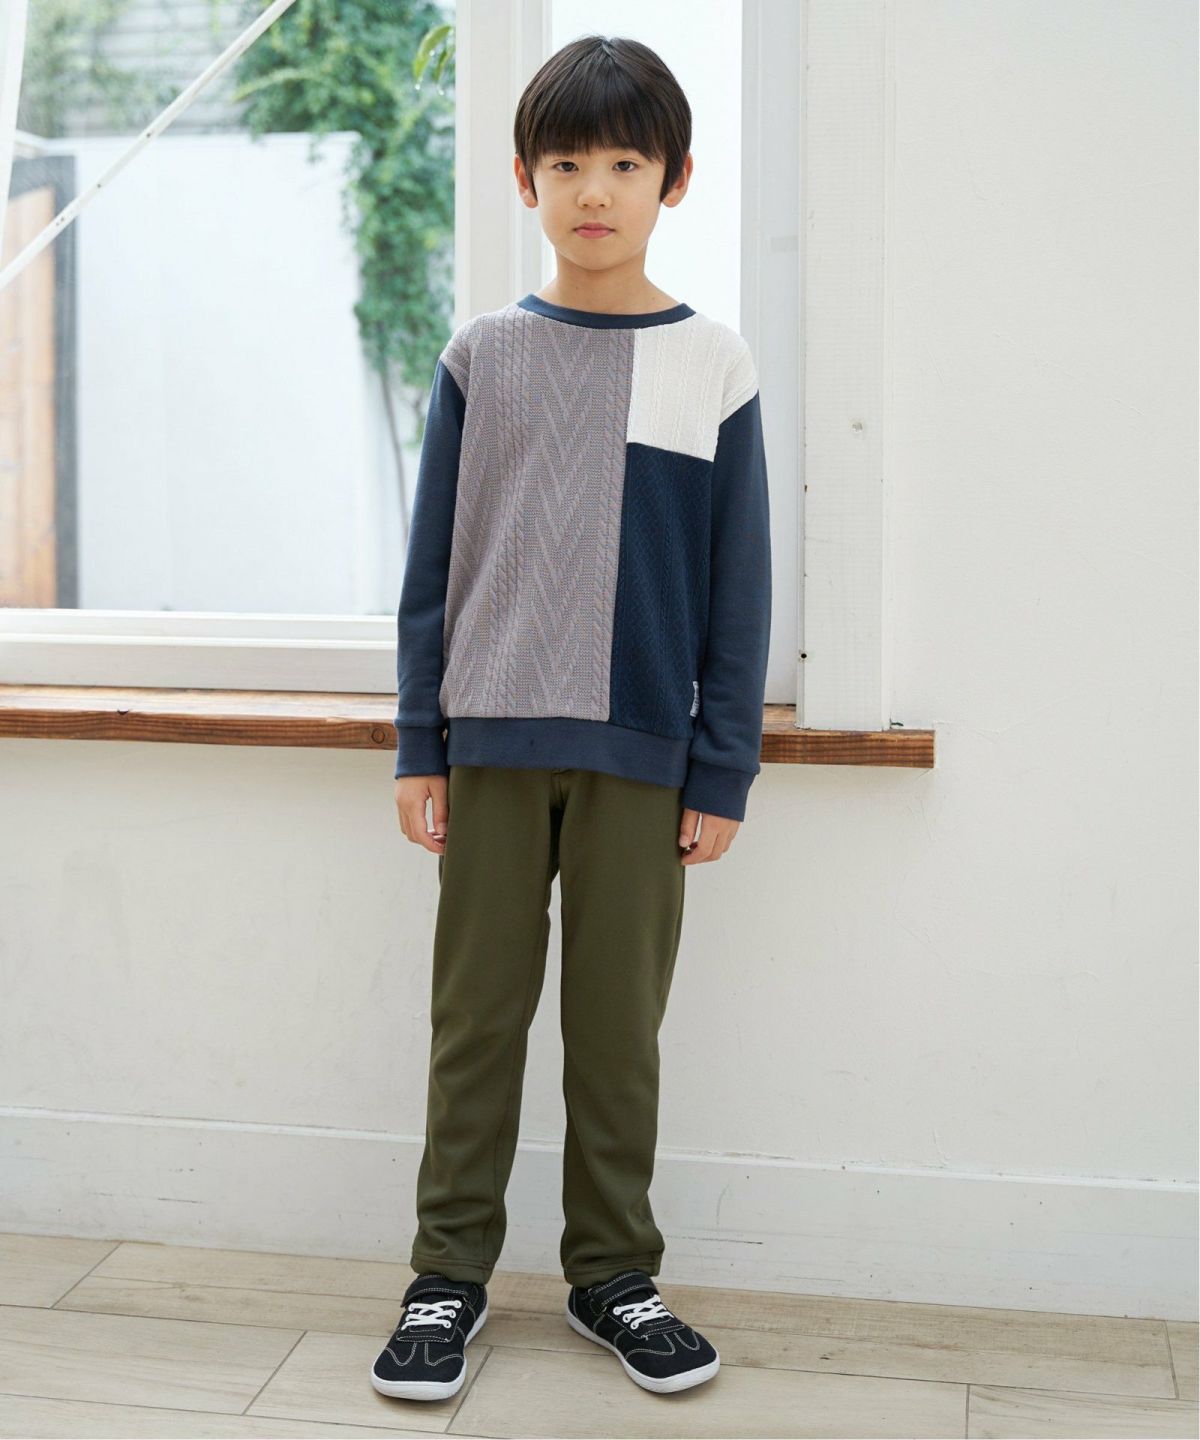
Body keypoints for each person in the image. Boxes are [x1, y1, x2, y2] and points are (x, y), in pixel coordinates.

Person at [370, 33, 771, 1403]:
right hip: (488, 744)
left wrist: (720, 771)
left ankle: (613, 1276)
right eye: (566, 163)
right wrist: (419, 743)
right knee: (475, 1024)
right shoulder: (482, 356)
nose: (594, 190)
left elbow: (737, 590)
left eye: (625, 163)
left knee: (615, 1035)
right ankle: (446, 1277)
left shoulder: (712, 365)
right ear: (523, 179)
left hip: (645, 760)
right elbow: (432, 570)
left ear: (676, 180)